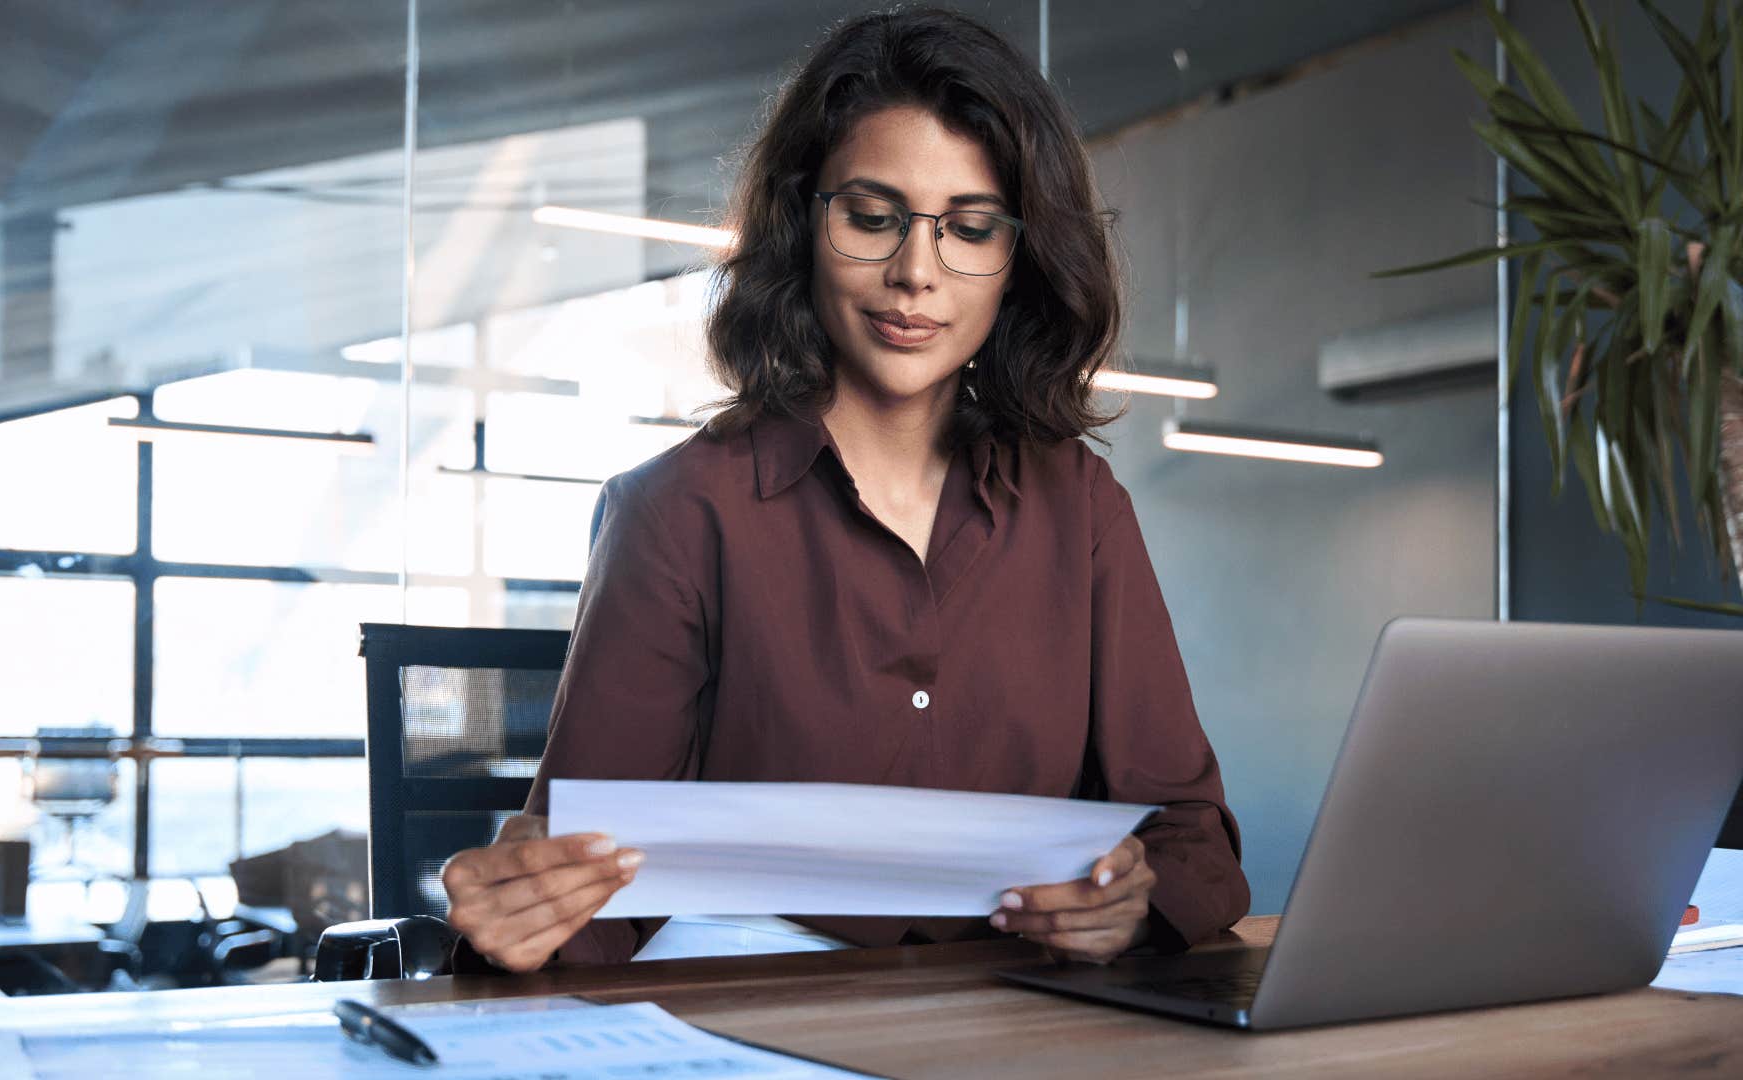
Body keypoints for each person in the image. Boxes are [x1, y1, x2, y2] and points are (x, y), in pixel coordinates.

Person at [439, 6, 1249, 974]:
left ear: (1017, 261)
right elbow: (583, 890)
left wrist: (1132, 904)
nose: (916, 274)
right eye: (872, 217)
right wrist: (520, 917)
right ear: (802, 223)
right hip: (756, 1014)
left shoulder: (1082, 511)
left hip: (1025, 1025)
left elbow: (1194, 840)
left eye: (971, 228)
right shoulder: (680, 512)